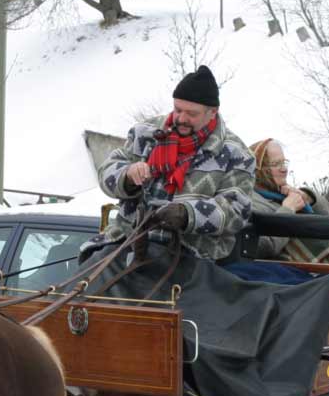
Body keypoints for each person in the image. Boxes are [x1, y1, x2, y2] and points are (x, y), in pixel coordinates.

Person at [96, 65, 255, 262]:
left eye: (191, 113)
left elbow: (238, 210)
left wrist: (188, 214)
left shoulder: (236, 154)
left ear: (212, 112)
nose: (181, 118)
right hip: (127, 241)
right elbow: (105, 172)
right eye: (177, 109)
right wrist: (127, 175)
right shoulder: (144, 132)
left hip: (193, 256)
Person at [248, 138, 329, 263]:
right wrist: (288, 210)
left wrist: (309, 198)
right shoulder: (250, 201)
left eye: (284, 163)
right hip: (292, 273)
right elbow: (264, 246)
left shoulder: (282, 193)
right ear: (259, 170)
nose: (284, 169)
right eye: (275, 164)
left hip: (322, 265)